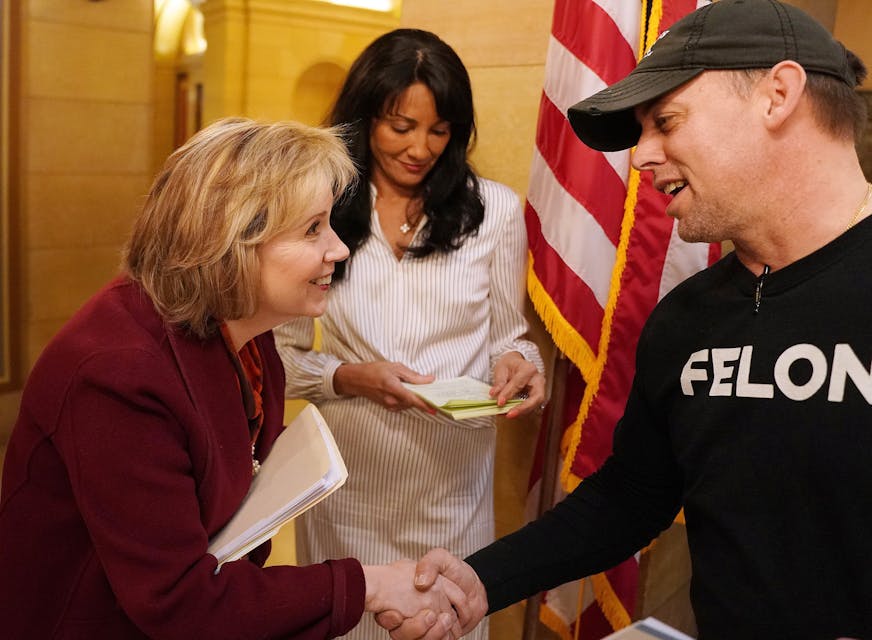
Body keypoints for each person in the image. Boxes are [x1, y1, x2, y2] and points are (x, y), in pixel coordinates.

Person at [381, 2, 872, 639]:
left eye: (665, 122)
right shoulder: (687, 319)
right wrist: (480, 580)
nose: (641, 157)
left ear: (777, 95)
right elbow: (633, 496)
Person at [0, 117, 471, 640]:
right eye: (313, 228)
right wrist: (370, 587)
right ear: (231, 242)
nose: (339, 249)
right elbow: (180, 603)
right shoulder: (117, 375)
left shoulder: (249, 332)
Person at [273, 28, 546, 640]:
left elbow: (513, 336)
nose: (420, 148)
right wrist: (348, 377)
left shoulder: (494, 212)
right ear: (365, 117)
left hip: (451, 489)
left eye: (439, 129)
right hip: (348, 488)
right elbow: (279, 359)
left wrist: (522, 364)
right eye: (401, 126)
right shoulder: (319, 208)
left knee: (441, 623)